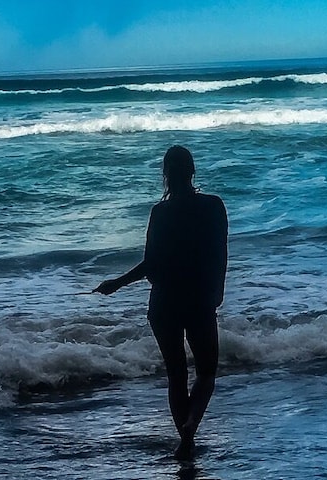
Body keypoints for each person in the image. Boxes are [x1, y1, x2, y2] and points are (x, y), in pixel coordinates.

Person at [94, 145, 227, 459]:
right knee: (206, 373)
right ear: (192, 171)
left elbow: (151, 264)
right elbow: (219, 254)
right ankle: (191, 424)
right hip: (198, 298)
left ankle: (185, 436)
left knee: (176, 375)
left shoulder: (160, 212)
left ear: (166, 175)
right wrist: (216, 292)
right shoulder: (213, 206)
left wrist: (117, 283)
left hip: (164, 301)